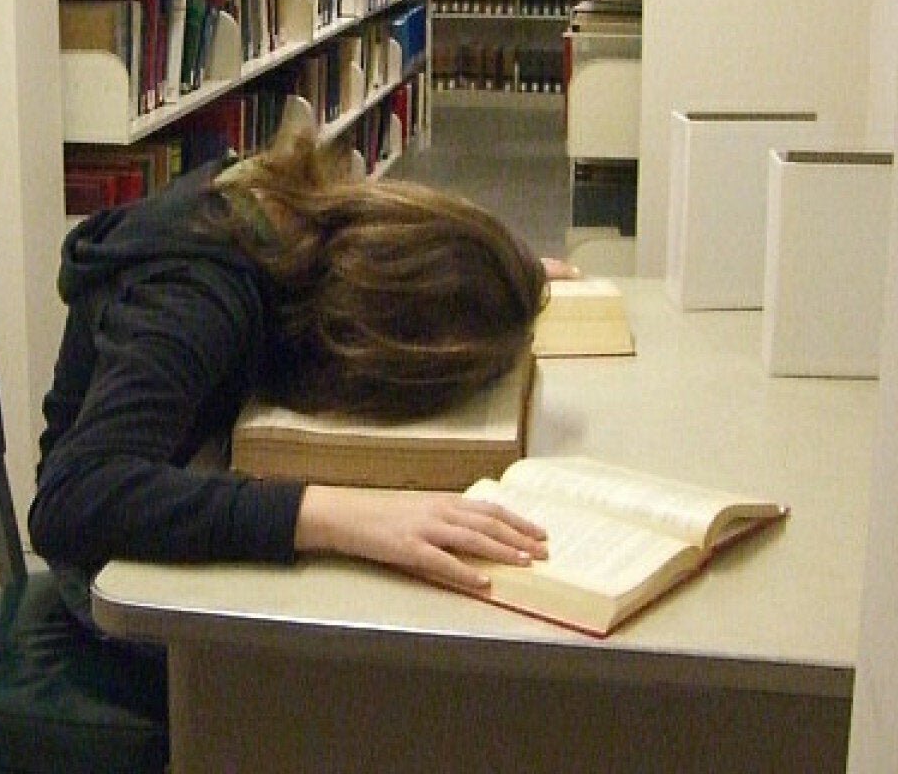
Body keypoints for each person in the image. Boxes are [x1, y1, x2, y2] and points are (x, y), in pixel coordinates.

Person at [29, 130, 565, 630]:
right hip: (112, 573)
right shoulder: (196, 295)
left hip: (198, 479)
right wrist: (338, 515)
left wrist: (504, 274)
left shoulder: (292, 222)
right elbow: (71, 500)